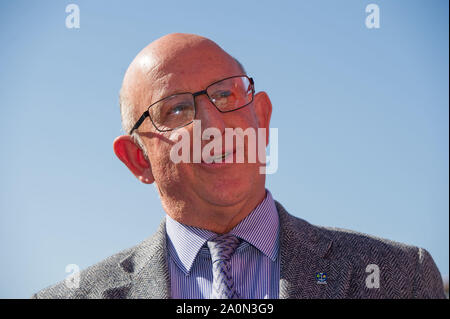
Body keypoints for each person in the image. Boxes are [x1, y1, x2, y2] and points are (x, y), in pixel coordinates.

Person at [33, 33, 445, 299]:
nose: (213, 124)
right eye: (177, 109)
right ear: (139, 158)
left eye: (227, 96)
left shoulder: (401, 278)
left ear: (261, 120)